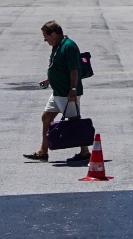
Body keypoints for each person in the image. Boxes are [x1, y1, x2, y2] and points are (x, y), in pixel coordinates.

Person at [24, 19, 90, 164]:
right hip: (57, 92)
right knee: (46, 117)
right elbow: (59, 67)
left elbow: (74, 70)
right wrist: (49, 80)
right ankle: (43, 151)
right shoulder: (57, 45)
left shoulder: (69, 46)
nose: (44, 40)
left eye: (45, 36)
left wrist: (73, 89)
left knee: (74, 122)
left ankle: (85, 152)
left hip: (67, 93)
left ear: (54, 34)